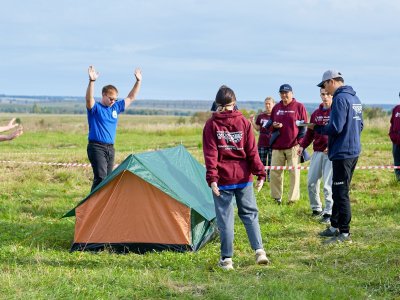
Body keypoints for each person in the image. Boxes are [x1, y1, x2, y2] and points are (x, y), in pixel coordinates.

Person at [203, 85, 269, 270]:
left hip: (223, 179)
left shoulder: (211, 125)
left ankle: (227, 260)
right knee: (250, 215)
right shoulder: (245, 123)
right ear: (235, 102)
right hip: (243, 178)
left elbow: (211, 154)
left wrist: (212, 179)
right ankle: (259, 251)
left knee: (225, 219)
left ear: (217, 104)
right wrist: (260, 173)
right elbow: (252, 152)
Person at [309, 70, 363, 244]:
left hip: (343, 152)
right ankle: (334, 226)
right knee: (338, 189)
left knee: (341, 192)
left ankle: (344, 233)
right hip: (352, 150)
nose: (325, 90)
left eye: (324, 85)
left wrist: (317, 128)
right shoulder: (355, 98)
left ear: (331, 81)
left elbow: (336, 127)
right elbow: (360, 125)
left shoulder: (340, 98)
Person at [86, 65, 142, 191]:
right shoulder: (95, 108)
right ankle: (91, 207)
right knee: (100, 178)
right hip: (96, 147)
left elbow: (131, 97)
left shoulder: (115, 107)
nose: (113, 101)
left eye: (115, 99)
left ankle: (102, 207)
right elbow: (89, 99)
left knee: (107, 180)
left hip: (110, 148)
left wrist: (138, 81)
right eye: (111, 98)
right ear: (103, 95)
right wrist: (92, 82)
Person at [298, 88, 333, 224]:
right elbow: (309, 134)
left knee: (327, 185)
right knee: (311, 182)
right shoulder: (316, 114)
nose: (325, 97)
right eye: (323, 94)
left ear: (332, 95)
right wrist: (302, 146)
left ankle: (329, 212)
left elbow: (339, 131)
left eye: (328, 94)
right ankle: (316, 209)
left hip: (330, 152)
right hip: (317, 152)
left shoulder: (336, 112)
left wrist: (332, 146)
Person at [269, 84, 308, 204]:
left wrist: (300, 143)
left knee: (294, 173)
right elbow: (270, 123)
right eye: (282, 93)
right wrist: (273, 126)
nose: (284, 95)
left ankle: (292, 199)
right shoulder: (276, 107)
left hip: (293, 146)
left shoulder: (299, 107)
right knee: (274, 172)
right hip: (277, 146)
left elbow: (304, 127)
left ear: (292, 93)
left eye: (286, 93)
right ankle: (277, 198)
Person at [249, 97, 275, 181]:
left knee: (272, 162)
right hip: (262, 142)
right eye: (266, 104)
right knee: (261, 161)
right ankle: (262, 178)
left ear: (273, 104)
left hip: (273, 142)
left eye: (269, 104)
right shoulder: (261, 116)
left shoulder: (276, 116)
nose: (267, 105)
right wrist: (252, 121)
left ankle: (270, 179)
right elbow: (257, 128)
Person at [389, 93, 400, 181]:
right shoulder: (396, 109)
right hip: (396, 142)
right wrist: (392, 135)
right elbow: (392, 123)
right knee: (397, 163)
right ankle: (398, 180)